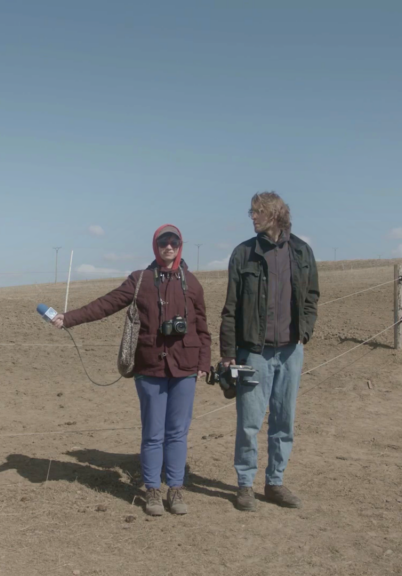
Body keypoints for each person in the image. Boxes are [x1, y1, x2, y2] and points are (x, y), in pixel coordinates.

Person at [51, 225, 212, 516]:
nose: (169, 247)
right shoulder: (140, 280)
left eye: (174, 242)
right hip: (149, 366)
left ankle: (175, 490)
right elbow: (106, 304)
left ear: (180, 246)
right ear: (155, 246)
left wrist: (203, 363)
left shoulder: (192, 282)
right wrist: (69, 318)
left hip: (185, 368)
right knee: (153, 432)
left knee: (177, 432)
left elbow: (202, 327)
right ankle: (152, 490)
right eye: (163, 242)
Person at [218, 192, 320, 512]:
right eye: (252, 212)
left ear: (276, 214)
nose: (252, 217)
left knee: (283, 421)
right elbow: (231, 307)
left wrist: (305, 331)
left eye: (258, 212)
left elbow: (311, 296)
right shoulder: (243, 254)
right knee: (249, 423)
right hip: (254, 353)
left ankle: (275, 483)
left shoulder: (301, 252)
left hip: (291, 352)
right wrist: (228, 353)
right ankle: (245, 486)